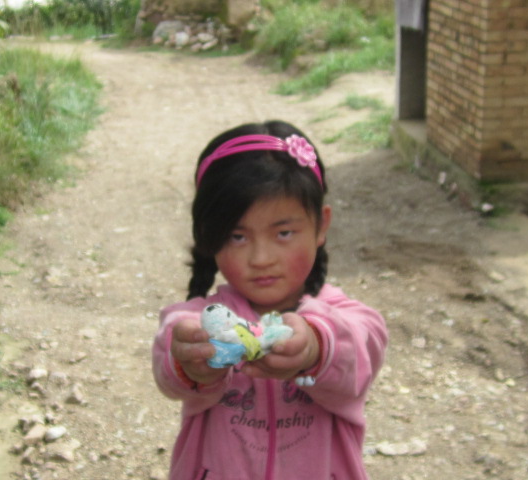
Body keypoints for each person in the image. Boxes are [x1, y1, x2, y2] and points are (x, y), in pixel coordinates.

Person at [152, 120, 388, 480]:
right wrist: (193, 362)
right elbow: (170, 356)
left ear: (321, 226)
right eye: (237, 236)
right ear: (210, 236)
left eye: (284, 232)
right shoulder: (201, 319)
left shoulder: (347, 319)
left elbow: (361, 350)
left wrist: (314, 348)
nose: (261, 258)